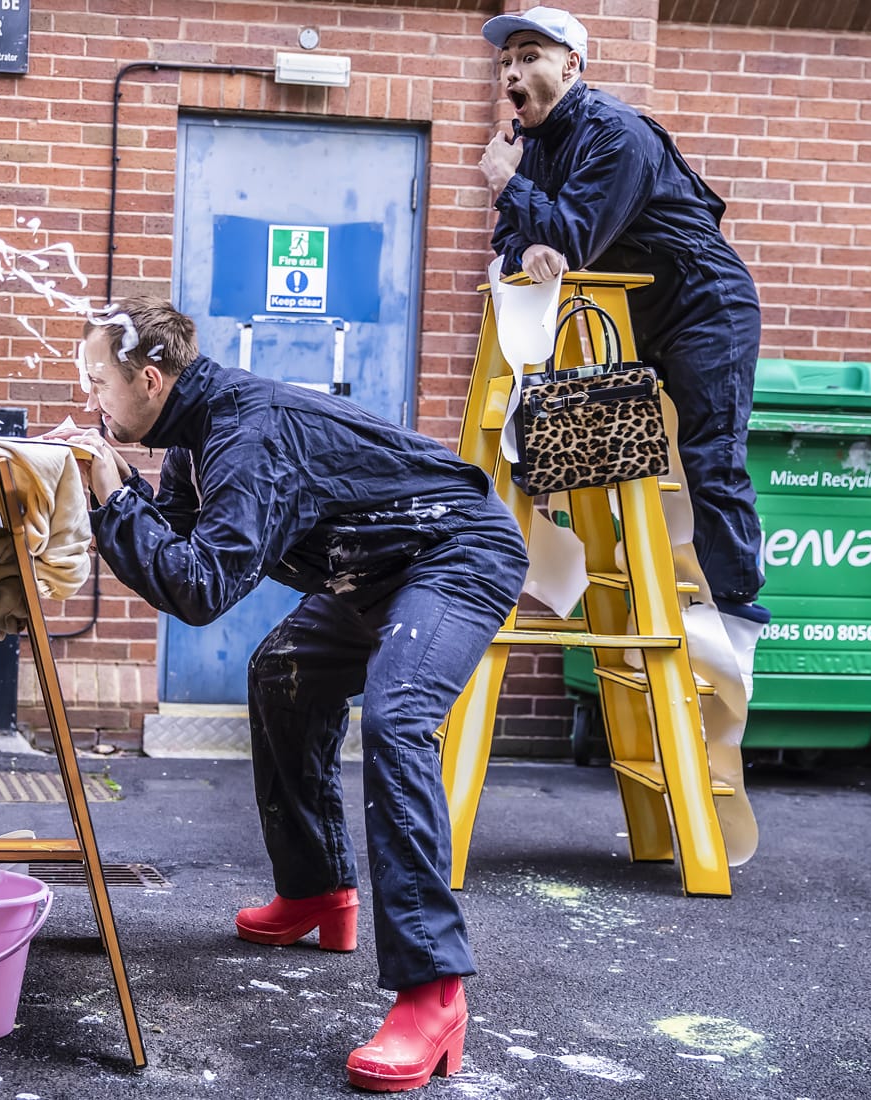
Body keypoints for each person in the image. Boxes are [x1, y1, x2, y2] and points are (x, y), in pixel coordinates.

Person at [49, 298, 529, 1091]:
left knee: (398, 718)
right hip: (371, 571)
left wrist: (111, 490)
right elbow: (171, 545)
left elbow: (200, 587)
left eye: (97, 381)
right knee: (282, 673)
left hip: (452, 551)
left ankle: (432, 992)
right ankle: (316, 891)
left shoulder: (246, 433)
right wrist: (110, 487)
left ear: (148, 377)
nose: (90, 398)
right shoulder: (193, 437)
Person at [477, 6, 769, 627]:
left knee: (709, 456)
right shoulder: (533, 147)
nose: (511, 72)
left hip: (704, 306)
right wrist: (527, 236)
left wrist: (510, 187)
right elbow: (513, 244)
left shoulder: (617, 134)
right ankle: (592, 586)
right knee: (580, 434)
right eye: (506, 61)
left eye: (531, 57)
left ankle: (735, 618)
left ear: (573, 65)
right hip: (630, 313)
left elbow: (571, 241)